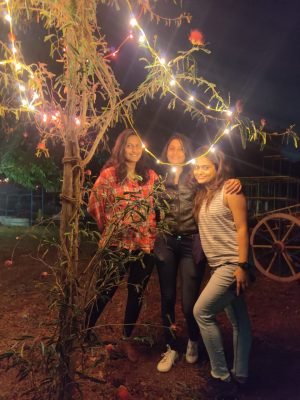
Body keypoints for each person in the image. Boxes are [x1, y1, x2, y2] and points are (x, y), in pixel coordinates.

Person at [155, 134, 241, 373]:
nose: (175, 152)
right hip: (166, 242)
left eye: (180, 149)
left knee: (189, 301)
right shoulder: (158, 177)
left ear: (187, 153)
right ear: (166, 152)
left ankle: (193, 340)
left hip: (191, 243)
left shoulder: (195, 176)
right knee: (168, 297)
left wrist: (234, 182)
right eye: (171, 148)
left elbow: (216, 181)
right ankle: (171, 346)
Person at [85, 128, 158, 361]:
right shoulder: (109, 175)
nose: (134, 149)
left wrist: (150, 228)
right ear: (121, 148)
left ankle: (127, 337)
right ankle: (84, 330)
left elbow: (156, 206)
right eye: (129, 145)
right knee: (106, 289)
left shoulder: (151, 176)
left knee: (136, 292)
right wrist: (110, 227)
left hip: (144, 245)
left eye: (138, 145)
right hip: (117, 244)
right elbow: (94, 202)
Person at [192, 146, 252, 399]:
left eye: (206, 166)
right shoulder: (203, 195)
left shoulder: (230, 190)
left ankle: (221, 376)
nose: (199, 171)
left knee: (201, 312)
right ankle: (241, 374)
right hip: (219, 265)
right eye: (196, 166)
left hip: (231, 265)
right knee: (239, 320)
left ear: (218, 167)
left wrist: (242, 266)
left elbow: (241, 228)